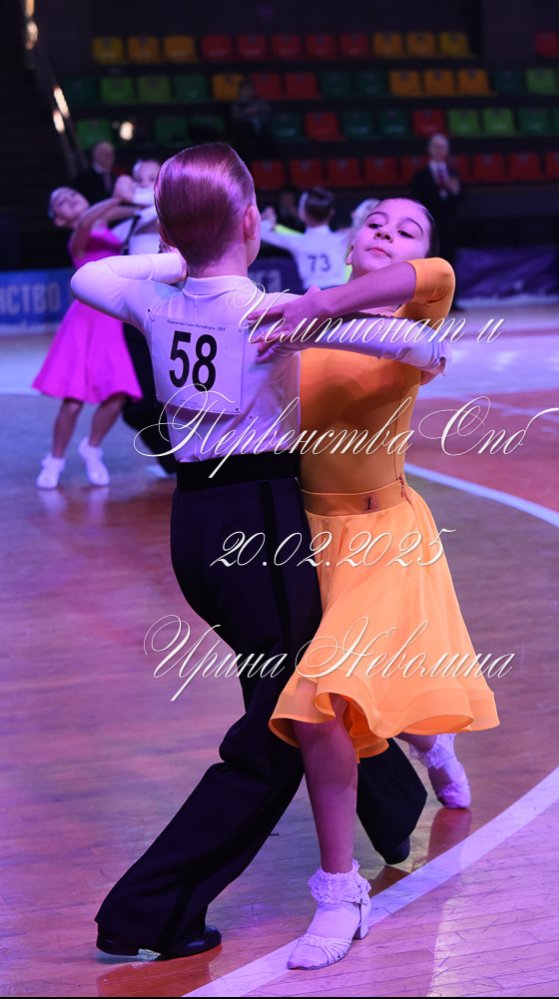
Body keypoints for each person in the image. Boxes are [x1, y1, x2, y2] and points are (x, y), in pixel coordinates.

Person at [70, 143, 454, 961]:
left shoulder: (151, 298)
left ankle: (392, 808)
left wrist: (180, 249)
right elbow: (417, 347)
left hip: (193, 529)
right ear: (251, 221)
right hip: (263, 527)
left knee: (290, 689)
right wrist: (361, 328)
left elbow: (89, 276)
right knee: (284, 724)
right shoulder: (272, 309)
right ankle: (150, 908)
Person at [251, 198, 500, 970]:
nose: (388, 232)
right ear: (351, 241)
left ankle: (340, 890)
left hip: (386, 538)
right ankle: (432, 741)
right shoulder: (293, 325)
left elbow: (437, 275)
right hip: (308, 542)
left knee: (323, 704)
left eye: (407, 227)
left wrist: (318, 307)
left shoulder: (413, 314)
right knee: (364, 701)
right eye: (376, 223)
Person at [33, 187, 141, 489]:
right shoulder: (78, 238)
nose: (70, 199)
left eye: (72, 195)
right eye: (61, 202)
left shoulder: (106, 222)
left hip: (113, 320)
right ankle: (55, 459)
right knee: (72, 402)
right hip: (84, 321)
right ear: (59, 220)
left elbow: (134, 212)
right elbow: (86, 222)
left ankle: (92, 448)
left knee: (118, 396)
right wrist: (119, 197)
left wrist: (141, 200)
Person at [112, 159, 178, 477]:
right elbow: (94, 226)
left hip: (170, 315)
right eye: (139, 179)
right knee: (139, 404)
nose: (144, 184)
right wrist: (116, 201)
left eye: (153, 178)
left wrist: (131, 196)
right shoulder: (129, 224)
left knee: (175, 393)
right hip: (134, 319)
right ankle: (170, 458)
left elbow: (161, 204)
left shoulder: (172, 213)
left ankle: (181, 460)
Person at [261, 187, 350, 291]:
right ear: (331, 212)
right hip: (339, 293)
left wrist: (267, 220)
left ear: (302, 213)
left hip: (312, 295)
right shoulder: (343, 239)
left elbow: (261, 232)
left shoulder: (298, 241)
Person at [411, 134, 462, 274]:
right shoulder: (421, 174)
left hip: (449, 224)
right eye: (436, 147)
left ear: (447, 150)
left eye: (442, 147)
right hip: (429, 224)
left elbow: (461, 198)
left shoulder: (453, 172)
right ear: (429, 149)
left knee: (449, 260)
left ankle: (451, 288)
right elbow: (417, 200)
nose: (439, 150)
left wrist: (455, 191)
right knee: (431, 258)